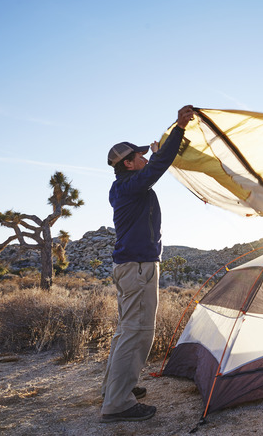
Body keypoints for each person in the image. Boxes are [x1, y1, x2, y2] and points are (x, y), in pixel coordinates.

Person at [100, 105, 195, 423]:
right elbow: (157, 168)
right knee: (138, 332)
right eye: (138, 156)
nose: (144, 158)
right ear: (128, 164)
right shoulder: (131, 186)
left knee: (125, 331)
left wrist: (157, 151)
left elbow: (153, 165)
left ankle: (113, 388)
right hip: (138, 269)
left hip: (131, 268)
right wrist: (179, 129)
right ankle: (117, 404)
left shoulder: (124, 187)